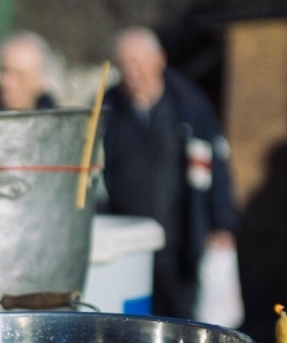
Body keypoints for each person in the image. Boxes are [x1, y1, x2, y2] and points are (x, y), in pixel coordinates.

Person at [101, 26, 238, 319]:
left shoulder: (189, 105)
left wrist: (221, 221)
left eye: (138, 62)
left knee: (180, 323)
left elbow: (215, 161)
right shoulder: (109, 109)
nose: (132, 72)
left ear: (160, 60)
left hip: (180, 243)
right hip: (128, 245)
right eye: (124, 64)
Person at [0, 32, 56, 112]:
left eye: (20, 75)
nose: (6, 83)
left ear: (42, 81)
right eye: (3, 71)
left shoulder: (61, 123)